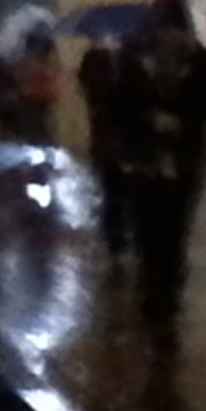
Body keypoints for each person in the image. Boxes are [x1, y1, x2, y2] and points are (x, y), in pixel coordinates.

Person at [117, 0, 206, 343]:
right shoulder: (134, 59)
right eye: (164, 28)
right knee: (147, 229)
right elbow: (119, 107)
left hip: (184, 160)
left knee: (175, 231)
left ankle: (168, 297)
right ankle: (152, 291)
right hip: (143, 160)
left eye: (175, 28)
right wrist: (149, 117)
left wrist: (183, 117)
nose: (169, 36)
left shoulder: (201, 61)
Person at [76, 36, 134, 260]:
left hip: (124, 137)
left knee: (121, 190)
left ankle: (119, 234)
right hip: (108, 138)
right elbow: (89, 89)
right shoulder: (94, 59)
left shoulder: (129, 59)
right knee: (112, 189)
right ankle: (115, 237)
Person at [7, 28, 63, 147]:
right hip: (41, 97)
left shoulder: (29, 61)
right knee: (41, 128)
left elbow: (19, 76)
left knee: (36, 129)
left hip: (33, 98)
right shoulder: (48, 61)